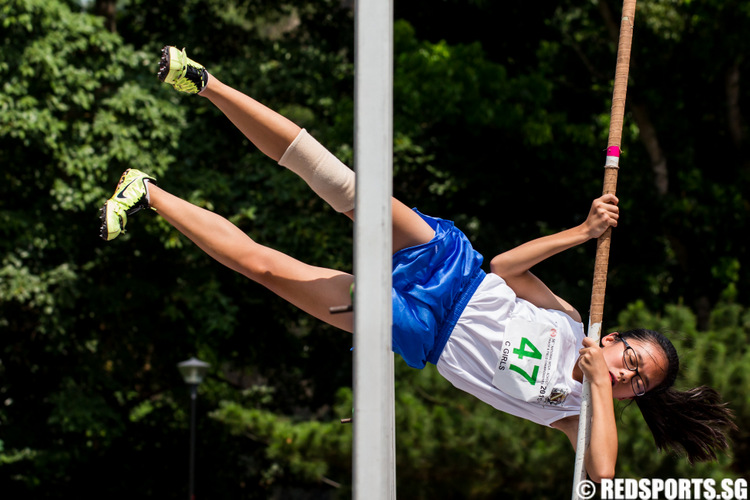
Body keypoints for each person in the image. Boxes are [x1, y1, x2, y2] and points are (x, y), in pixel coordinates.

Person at [99, 47, 735, 481]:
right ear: (618, 337)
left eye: (638, 382)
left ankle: (148, 191)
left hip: (422, 330)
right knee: (342, 187)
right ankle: (203, 82)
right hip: (453, 269)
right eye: (631, 359)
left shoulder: (575, 411)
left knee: (268, 270)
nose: (627, 374)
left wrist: (597, 384)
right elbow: (505, 264)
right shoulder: (573, 321)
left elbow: (600, 477)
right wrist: (584, 229)